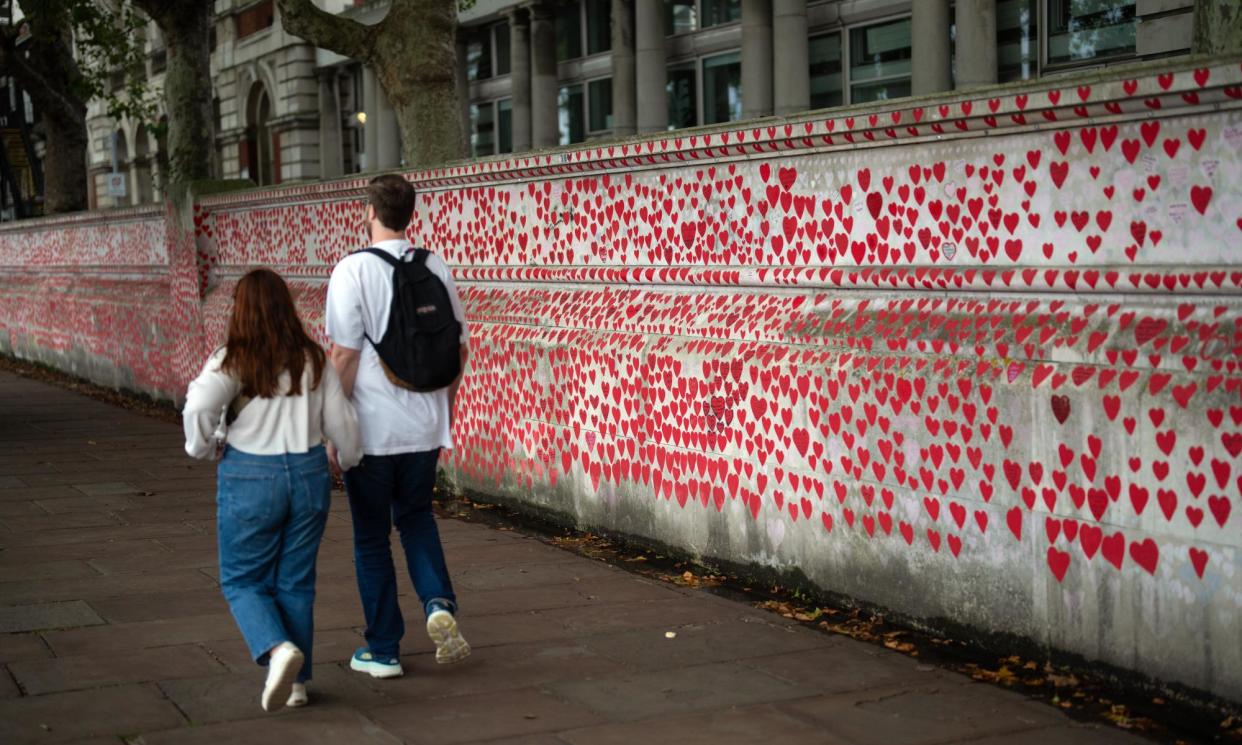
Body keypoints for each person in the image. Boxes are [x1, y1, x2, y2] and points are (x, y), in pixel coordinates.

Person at [183, 268, 361, 712]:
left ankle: (276, 648)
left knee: (242, 579)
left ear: (239, 311)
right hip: (307, 475)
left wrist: (203, 447)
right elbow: (343, 426)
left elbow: (200, 404)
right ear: (287, 307)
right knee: (296, 582)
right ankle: (297, 684)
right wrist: (350, 459)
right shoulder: (313, 358)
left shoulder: (232, 359)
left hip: (250, 477)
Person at [325, 173, 471, 679]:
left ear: (369, 212)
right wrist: (442, 411)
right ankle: (437, 605)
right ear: (411, 213)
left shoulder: (351, 270)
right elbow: (460, 350)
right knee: (416, 519)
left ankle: (383, 649)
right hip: (426, 426)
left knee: (370, 536)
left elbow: (343, 355)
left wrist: (332, 429)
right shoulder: (435, 266)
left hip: (371, 430)